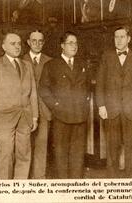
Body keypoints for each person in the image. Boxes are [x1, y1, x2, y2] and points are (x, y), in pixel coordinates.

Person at [0, 32, 38, 179]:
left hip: (24, 117)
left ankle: (20, 190)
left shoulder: (27, 66)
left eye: (19, 43)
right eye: (13, 43)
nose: (17, 46)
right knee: (6, 156)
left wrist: (35, 116)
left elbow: (33, 93)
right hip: (2, 119)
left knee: (24, 155)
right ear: (4, 46)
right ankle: (6, 192)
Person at [96, 26, 132, 178]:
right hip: (112, 110)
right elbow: (100, 83)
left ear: (129, 39)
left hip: (131, 110)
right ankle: (112, 181)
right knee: (112, 148)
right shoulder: (106, 57)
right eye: (116, 37)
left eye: (122, 37)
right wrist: (101, 105)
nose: (118, 40)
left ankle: (131, 180)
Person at [39, 31, 90, 179]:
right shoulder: (51, 65)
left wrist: (84, 105)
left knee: (78, 155)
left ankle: (76, 186)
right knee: (61, 155)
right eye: (70, 43)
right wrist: (55, 105)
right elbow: (43, 89)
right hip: (61, 116)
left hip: (80, 116)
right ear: (62, 46)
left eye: (76, 43)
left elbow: (87, 88)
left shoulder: (82, 64)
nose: (74, 46)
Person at [23, 30, 52, 179]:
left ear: (43, 43)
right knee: (24, 148)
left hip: (44, 111)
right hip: (25, 112)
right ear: (28, 42)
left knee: (41, 147)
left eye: (40, 41)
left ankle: (39, 179)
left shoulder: (50, 61)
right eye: (34, 41)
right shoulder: (20, 60)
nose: (37, 44)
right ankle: (24, 180)